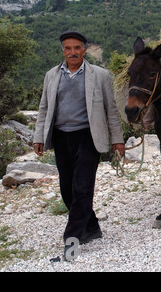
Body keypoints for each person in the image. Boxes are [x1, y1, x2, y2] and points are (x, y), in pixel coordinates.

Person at [33, 31, 125, 260]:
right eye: (68, 48)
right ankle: (92, 227)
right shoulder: (51, 76)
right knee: (67, 189)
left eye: (77, 48)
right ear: (62, 51)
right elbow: (44, 108)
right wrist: (39, 137)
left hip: (88, 137)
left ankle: (71, 241)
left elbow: (111, 111)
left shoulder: (101, 75)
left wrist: (118, 140)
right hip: (61, 137)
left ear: (84, 50)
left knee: (82, 188)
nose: (72, 52)